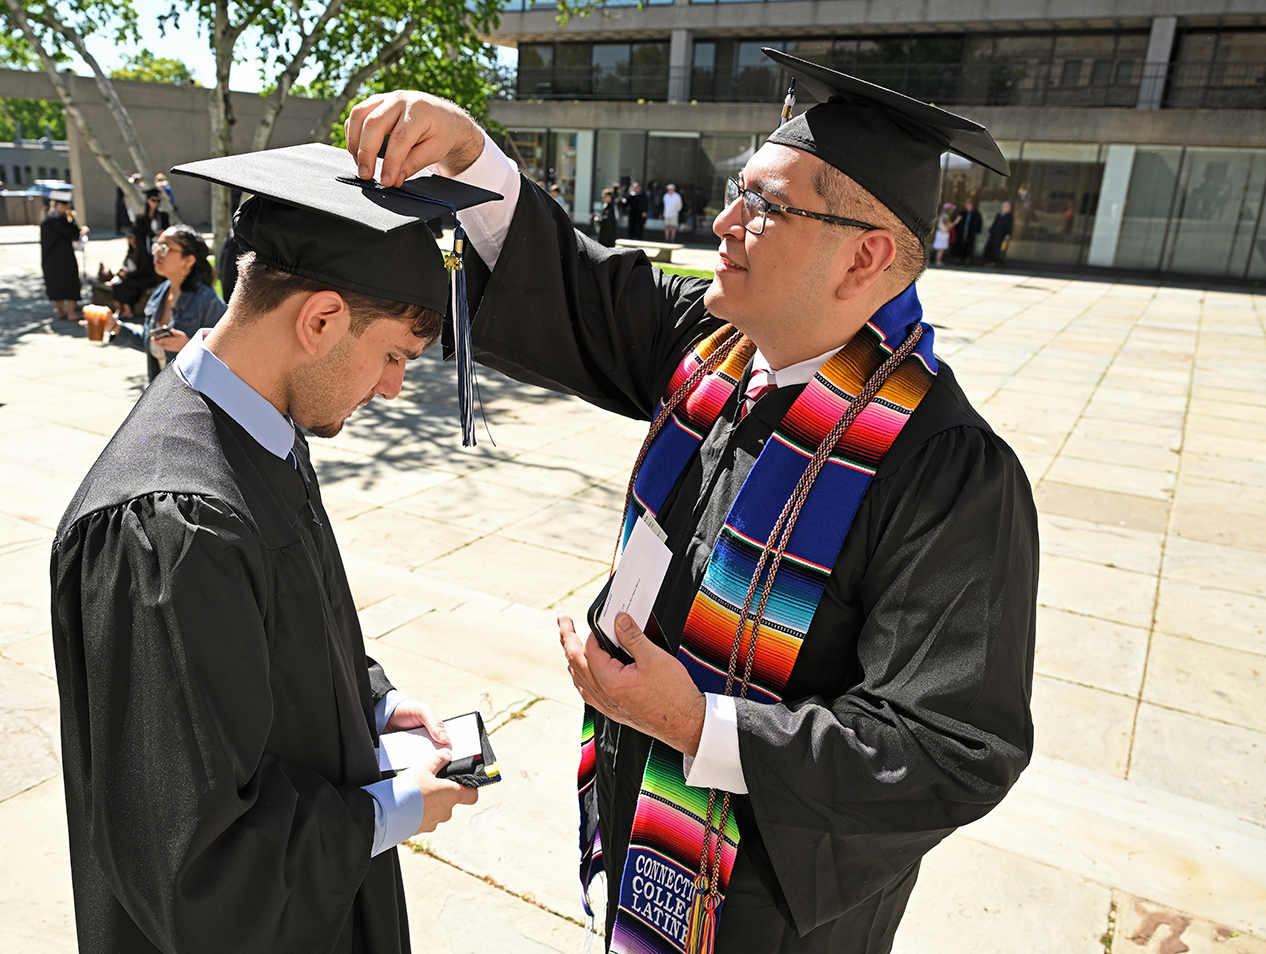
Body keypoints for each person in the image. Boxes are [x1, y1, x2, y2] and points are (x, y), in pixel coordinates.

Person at [347, 51, 1036, 954]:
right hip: (638, 829)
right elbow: (584, 286)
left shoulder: (946, 470)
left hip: (767, 913)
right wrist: (470, 155)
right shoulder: (716, 349)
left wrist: (700, 724)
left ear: (864, 256)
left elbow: (949, 747)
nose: (724, 221)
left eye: (765, 206)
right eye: (738, 191)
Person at [50, 141, 494, 954]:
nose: (393, 386)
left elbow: (285, 637)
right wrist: (393, 809)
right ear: (320, 320)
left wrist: (376, 704)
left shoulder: (258, 430)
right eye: (393, 355)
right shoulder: (171, 522)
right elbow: (195, 865)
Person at [106, 225, 226, 381]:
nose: (156, 252)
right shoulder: (160, 293)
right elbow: (151, 344)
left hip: (193, 395)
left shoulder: (209, 302)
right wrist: (114, 326)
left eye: (165, 248)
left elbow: (227, 361)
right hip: (161, 392)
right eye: (156, 245)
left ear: (189, 260)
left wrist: (189, 347)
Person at [40, 191, 87, 320]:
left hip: (49, 258)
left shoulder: (47, 219)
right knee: (70, 283)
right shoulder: (59, 220)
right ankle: (71, 313)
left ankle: (60, 311)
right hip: (64, 258)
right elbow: (74, 234)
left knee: (55, 284)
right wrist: (74, 221)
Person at [984, 200, 1013, 266]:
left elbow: (1009, 226)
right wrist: (990, 231)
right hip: (993, 233)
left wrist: (1007, 234)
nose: (1004, 207)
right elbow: (994, 223)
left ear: (1008, 208)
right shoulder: (999, 214)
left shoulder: (1009, 216)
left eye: (1005, 206)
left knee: (996, 248)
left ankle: (993, 261)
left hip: (1001, 235)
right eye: (1003, 206)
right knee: (989, 246)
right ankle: (988, 260)